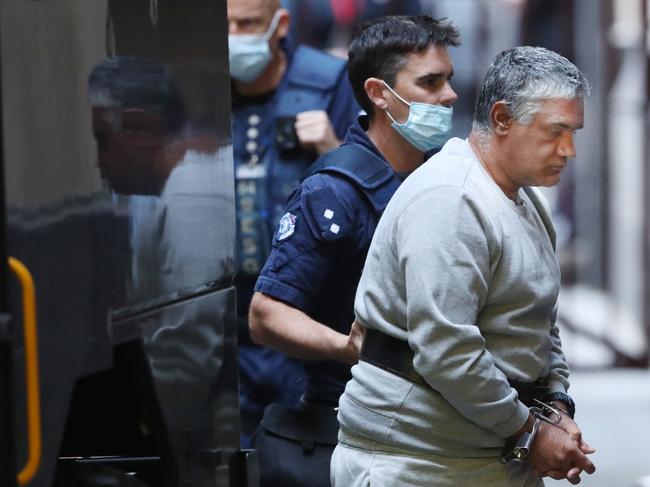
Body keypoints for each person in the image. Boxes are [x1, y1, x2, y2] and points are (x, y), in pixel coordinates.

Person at [331, 46, 597, 487]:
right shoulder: (451, 198)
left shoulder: (529, 199)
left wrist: (556, 405)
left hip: (499, 449)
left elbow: (539, 323)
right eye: (556, 131)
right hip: (418, 461)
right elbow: (446, 348)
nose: (568, 149)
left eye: (574, 133)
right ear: (501, 119)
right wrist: (531, 432)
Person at [248, 15, 459, 487]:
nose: (448, 96)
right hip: (356, 432)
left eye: (448, 79)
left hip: (434, 429)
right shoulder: (334, 192)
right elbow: (266, 316)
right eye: (429, 82)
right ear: (379, 93)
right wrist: (348, 347)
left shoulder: (440, 177)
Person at [227, 0, 361, 446]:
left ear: (279, 24)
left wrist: (331, 146)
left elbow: (378, 193)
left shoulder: (327, 83)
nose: (233, 36)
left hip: (305, 319)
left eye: (246, 24)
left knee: (305, 452)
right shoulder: (198, 92)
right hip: (223, 325)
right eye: (223, 25)